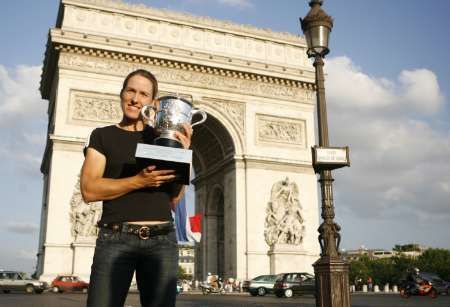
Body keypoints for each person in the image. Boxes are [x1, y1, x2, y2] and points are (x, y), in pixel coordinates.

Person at [81, 69, 193, 307]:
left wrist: (183, 157)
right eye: (130, 90)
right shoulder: (102, 136)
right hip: (115, 237)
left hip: (162, 240)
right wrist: (138, 181)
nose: (135, 99)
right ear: (121, 94)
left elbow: (174, 199)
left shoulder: (163, 138)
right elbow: (89, 190)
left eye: (143, 94)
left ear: (154, 103)